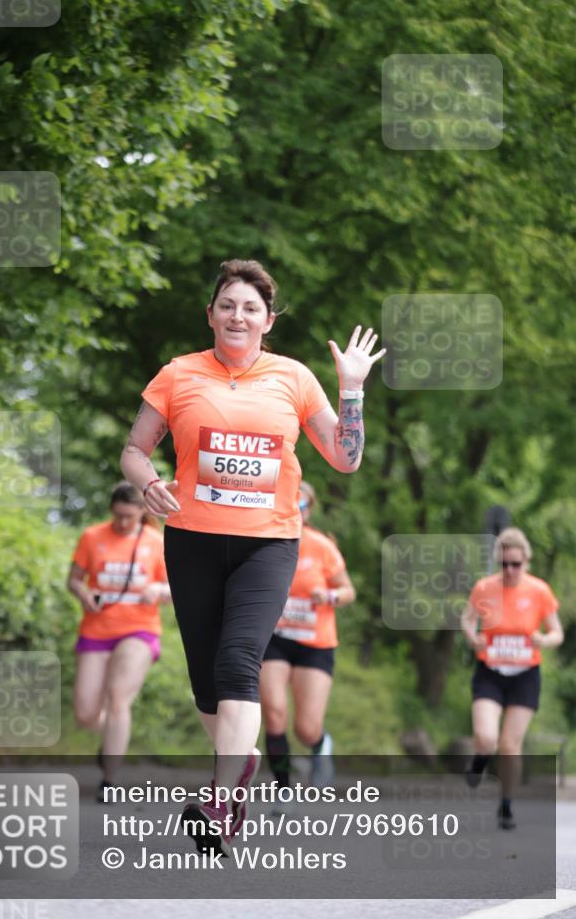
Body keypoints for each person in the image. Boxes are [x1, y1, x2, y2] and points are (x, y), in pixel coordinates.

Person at [121, 258, 385, 855]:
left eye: (251, 308)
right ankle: (236, 775)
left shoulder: (293, 378)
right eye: (227, 305)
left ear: (268, 320)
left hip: (268, 544)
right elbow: (135, 449)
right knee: (205, 682)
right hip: (191, 540)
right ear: (210, 315)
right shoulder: (178, 374)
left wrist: (351, 389)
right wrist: (147, 481)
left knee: (240, 661)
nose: (238, 315)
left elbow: (345, 459)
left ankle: (219, 800)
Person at [67, 482, 171, 801]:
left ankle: (109, 781)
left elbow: (175, 588)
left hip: (139, 629)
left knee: (117, 698)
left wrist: (158, 591)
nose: (123, 523)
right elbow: (73, 580)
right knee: (85, 713)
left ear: (142, 512)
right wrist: (84, 594)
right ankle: (113, 733)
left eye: (129, 516)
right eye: (118, 516)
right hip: (97, 629)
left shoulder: (157, 542)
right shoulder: (92, 536)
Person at [460, 526, 563, 829]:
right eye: (504, 564)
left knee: (509, 744)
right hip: (490, 672)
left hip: (525, 675)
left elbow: (557, 632)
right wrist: (473, 637)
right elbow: (467, 620)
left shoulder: (539, 591)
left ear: (526, 562)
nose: (510, 570)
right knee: (486, 737)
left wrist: (543, 640)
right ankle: (479, 761)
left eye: (515, 564)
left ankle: (506, 805)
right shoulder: (484, 588)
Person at [260, 480, 356, 799]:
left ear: (309, 511)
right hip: (275, 637)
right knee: (274, 712)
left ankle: (319, 745)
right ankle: (283, 788)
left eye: (300, 508)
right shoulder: (266, 540)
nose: (295, 513)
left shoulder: (322, 547)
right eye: (289, 506)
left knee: (306, 727)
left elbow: (348, 592)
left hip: (315, 643)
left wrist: (328, 596)